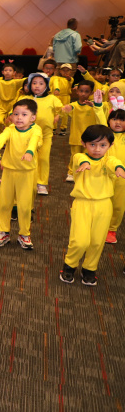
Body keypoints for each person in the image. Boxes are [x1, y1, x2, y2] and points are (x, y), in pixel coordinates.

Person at [60, 125, 125, 286]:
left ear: (110, 146)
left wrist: (120, 169)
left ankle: (90, 268)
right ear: (84, 144)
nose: (97, 149)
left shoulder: (108, 160)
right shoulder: (78, 157)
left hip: (104, 206)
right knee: (80, 240)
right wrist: (85, 164)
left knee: (97, 241)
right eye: (92, 144)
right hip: (83, 204)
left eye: (103, 145)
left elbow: (115, 163)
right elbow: (80, 159)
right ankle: (70, 265)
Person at [0, 99, 43, 250]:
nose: (19, 117)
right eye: (16, 114)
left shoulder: (36, 130)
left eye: (24, 114)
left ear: (33, 117)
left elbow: (34, 141)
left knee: (24, 207)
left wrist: (30, 152)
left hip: (26, 173)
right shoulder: (10, 129)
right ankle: (3, 232)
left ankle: (24, 234)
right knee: (4, 204)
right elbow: (2, 137)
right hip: (9, 172)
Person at [24, 73, 65, 195]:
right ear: (30, 85)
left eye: (41, 83)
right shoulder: (24, 99)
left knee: (43, 158)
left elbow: (61, 110)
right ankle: (28, 181)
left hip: (46, 134)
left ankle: (41, 183)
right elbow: (15, 112)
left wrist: (62, 112)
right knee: (28, 158)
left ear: (46, 86)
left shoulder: (52, 98)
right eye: (34, 83)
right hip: (27, 135)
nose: (37, 86)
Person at [60, 81, 101, 182]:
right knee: (74, 156)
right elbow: (66, 111)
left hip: (91, 137)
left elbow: (100, 112)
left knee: (89, 155)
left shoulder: (94, 106)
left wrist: (95, 106)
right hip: (76, 136)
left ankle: (86, 173)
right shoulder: (73, 105)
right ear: (77, 91)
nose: (83, 93)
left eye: (86, 91)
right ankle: (71, 173)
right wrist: (63, 110)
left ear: (91, 93)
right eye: (81, 91)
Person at [105, 106, 125, 244]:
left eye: (122, 120)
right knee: (102, 202)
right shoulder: (105, 135)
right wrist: (99, 107)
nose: (118, 122)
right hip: (104, 175)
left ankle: (112, 229)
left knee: (118, 204)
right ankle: (99, 226)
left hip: (122, 178)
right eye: (114, 119)